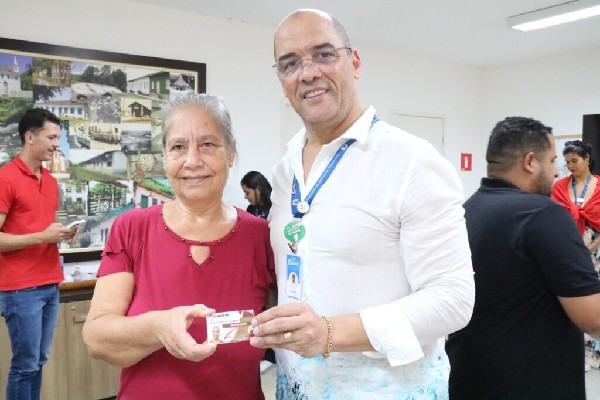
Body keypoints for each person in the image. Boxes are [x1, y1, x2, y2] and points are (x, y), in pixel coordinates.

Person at [249, 9, 475, 398]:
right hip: (294, 387)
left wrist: (329, 332)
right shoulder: (284, 171)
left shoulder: (412, 162)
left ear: (354, 62)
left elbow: (453, 299)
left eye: (324, 54)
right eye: (290, 63)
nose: (308, 73)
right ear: (281, 79)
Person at [82, 92, 276, 399]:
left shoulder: (261, 236)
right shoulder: (132, 229)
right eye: (178, 147)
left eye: (208, 144)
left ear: (231, 153)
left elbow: (282, 323)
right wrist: (159, 328)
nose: (193, 161)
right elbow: (97, 338)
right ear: (164, 156)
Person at [445, 116, 600, 399]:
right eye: (552, 161)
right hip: (532, 386)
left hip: (469, 378)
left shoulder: (465, 212)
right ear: (530, 162)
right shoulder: (544, 214)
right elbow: (593, 317)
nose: (556, 172)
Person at [0, 108, 77, 400]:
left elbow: (42, 226)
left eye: (58, 138)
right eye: (52, 137)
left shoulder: (51, 181)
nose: (57, 144)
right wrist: (42, 237)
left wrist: (63, 233)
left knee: (38, 362)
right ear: (30, 137)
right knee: (25, 366)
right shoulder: (5, 178)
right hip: (20, 288)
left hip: (50, 283)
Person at [551, 140, 600, 371]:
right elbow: (554, 220)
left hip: (596, 250)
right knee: (574, 299)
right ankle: (575, 353)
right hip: (569, 250)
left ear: (587, 158)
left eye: (575, 161)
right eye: (567, 162)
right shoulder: (560, 187)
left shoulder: (599, 186)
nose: (571, 166)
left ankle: (596, 354)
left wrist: (593, 245)